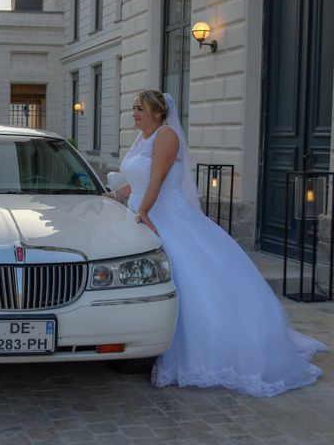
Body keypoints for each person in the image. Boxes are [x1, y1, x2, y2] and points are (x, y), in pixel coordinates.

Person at [107, 89, 326, 397]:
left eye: (139, 108)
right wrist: (116, 196)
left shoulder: (166, 135)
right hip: (142, 212)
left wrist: (143, 211)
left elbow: (156, 179)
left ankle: (209, 352)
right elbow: (140, 180)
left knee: (190, 281)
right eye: (133, 108)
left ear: (158, 112)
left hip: (166, 216)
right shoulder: (143, 139)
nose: (134, 113)